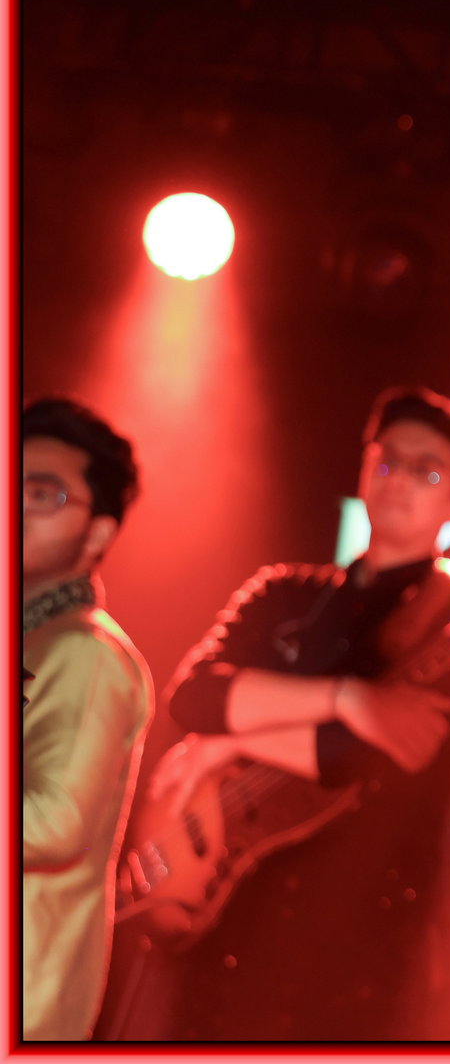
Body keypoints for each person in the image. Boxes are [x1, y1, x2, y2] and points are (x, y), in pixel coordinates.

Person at [116, 385, 450, 1040]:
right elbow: (195, 695)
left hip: (343, 945)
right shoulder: (282, 590)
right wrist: (348, 699)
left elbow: (387, 749)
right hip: (213, 920)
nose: (399, 480)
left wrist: (231, 743)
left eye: (427, 471)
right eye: (387, 460)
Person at [22, 396, 152, 1040]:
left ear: (98, 534)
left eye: (41, 494)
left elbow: (55, 823)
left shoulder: (86, 653)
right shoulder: (30, 638)